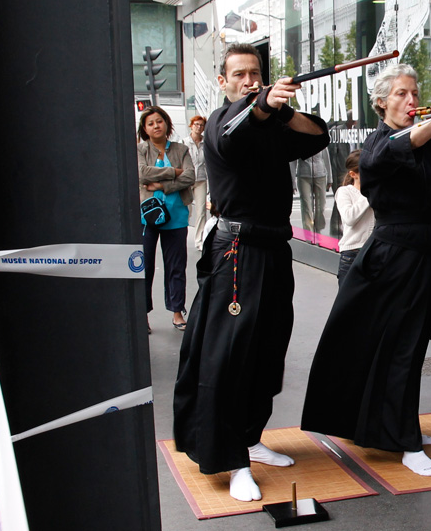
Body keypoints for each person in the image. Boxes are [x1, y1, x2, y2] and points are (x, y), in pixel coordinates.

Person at [301, 64, 431, 477]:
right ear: (381, 102)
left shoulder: (425, 141)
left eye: (415, 93)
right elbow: (405, 142)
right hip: (394, 257)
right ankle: (404, 440)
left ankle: (399, 425)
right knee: (398, 348)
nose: (411, 101)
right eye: (401, 94)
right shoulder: (376, 145)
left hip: (425, 252)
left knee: (413, 346)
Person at [173, 43, 330, 502]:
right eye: (239, 74)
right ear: (223, 82)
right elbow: (235, 129)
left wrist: (281, 109)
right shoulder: (222, 121)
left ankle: (250, 437)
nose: (249, 80)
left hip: (275, 248)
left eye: (255, 73)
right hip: (236, 252)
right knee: (230, 356)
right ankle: (230, 459)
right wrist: (261, 103)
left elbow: (317, 136)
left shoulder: (272, 122)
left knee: (268, 350)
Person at [137, 106, 195, 332]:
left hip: (176, 216)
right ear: (145, 129)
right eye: (150, 123)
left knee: (176, 267)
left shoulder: (181, 149)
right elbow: (142, 173)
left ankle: (177, 312)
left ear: (167, 123)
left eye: (159, 121)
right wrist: (174, 172)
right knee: (144, 267)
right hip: (146, 217)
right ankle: (142, 315)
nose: (156, 126)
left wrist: (161, 185)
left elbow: (190, 175)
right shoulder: (140, 149)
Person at [334, 149, 372, 285]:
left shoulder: (376, 191)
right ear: (353, 174)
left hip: (374, 253)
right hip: (352, 254)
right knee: (348, 298)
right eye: (366, 171)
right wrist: (368, 193)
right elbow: (349, 218)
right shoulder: (344, 192)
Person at [183, 115, 210, 251]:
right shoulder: (184, 142)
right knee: (186, 211)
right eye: (196, 124)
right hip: (187, 181)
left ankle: (199, 240)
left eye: (201, 125)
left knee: (201, 211)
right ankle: (181, 237)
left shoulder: (206, 143)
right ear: (191, 126)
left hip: (201, 179)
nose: (198, 127)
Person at [290, 147, 331, 236]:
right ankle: (308, 232)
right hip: (303, 175)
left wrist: (329, 178)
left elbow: (326, 158)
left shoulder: (319, 141)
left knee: (321, 205)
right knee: (306, 205)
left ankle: (318, 228)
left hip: (320, 175)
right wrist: (293, 182)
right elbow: (292, 162)